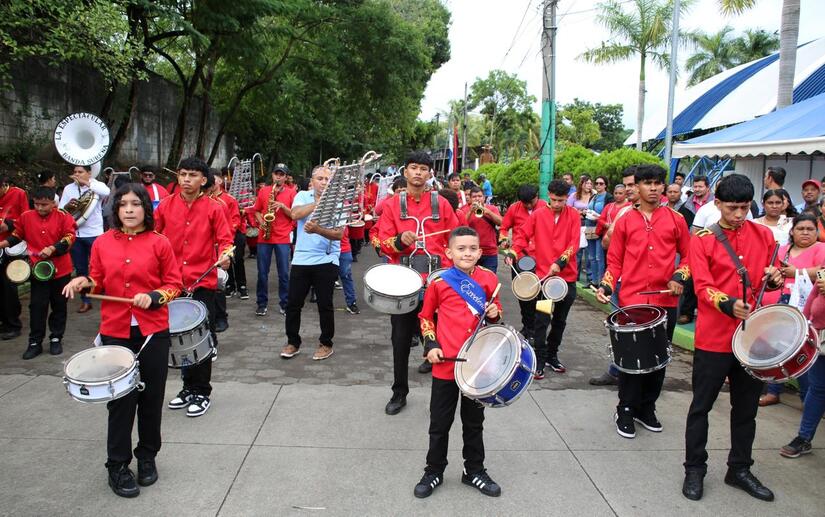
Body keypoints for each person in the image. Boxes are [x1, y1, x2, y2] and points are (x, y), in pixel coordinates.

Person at [62, 183, 182, 498]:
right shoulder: (102, 242)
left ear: (146, 208)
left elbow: (174, 284)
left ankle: (147, 457)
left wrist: (154, 296)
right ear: (115, 210)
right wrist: (84, 280)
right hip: (115, 331)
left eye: (135, 204)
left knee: (151, 398)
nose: (128, 209)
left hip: (153, 332)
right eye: (123, 204)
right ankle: (117, 466)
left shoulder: (160, 243)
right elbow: (97, 277)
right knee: (120, 402)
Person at [682, 174, 782, 503]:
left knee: (746, 409)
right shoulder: (703, 240)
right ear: (717, 204)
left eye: (744, 207)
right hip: (714, 337)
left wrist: (776, 276)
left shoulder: (764, 235)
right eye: (732, 208)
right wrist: (727, 303)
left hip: (753, 336)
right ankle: (694, 469)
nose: (739, 214)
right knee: (701, 407)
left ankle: (739, 468)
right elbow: (701, 286)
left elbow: (775, 277)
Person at [596, 164, 690, 439]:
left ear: (664, 186)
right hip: (632, 302)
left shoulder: (677, 220)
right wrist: (606, 284)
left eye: (657, 183)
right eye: (646, 183)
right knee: (631, 360)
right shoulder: (625, 220)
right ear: (635, 187)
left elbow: (688, 257)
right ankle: (625, 408)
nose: (653, 188)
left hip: (666, 303)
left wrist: (678, 277)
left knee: (659, 360)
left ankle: (646, 408)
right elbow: (614, 261)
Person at [413, 226, 503, 499]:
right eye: (461, 249)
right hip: (445, 365)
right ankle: (434, 470)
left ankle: (473, 470)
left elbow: (495, 319)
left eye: (473, 249)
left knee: (474, 422)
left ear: (480, 251)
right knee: (439, 423)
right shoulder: (439, 282)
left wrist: (495, 313)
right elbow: (426, 317)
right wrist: (431, 345)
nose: (467, 253)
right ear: (449, 252)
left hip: (477, 366)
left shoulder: (489, 279)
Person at [374, 150, 459, 415]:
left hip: (437, 282)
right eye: (413, 168)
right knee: (400, 340)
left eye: (423, 168)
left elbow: (456, 238)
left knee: (442, 338)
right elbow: (380, 243)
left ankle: (443, 395)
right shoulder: (391, 205)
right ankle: (399, 392)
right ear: (405, 172)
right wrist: (400, 241)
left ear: (429, 173)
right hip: (404, 282)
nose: (418, 173)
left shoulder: (442, 204)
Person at [155, 157, 233, 417]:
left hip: (202, 282)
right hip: (173, 284)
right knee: (178, 339)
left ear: (203, 180)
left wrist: (226, 256)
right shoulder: (165, 206)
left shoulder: (214, 208)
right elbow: (153, 238)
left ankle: (202, 391)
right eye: (183, 174)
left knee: (200, 338)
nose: (186, 179)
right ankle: (187, 388)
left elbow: (226, 241)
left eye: (192, 175)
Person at [509, 179, 580, 378]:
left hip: (567, 279)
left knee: (560, 320)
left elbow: (574, 244)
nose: (557, 204)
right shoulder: (539, 215)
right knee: (542, 320)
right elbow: (522, 235)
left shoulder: (573, 215)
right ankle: (539, 359)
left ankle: (552, 355)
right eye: (554, 200)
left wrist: (560, 262)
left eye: (562, 200)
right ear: (548, 195)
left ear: (567, 198)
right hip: (544, 280)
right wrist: (513, 252)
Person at [1, 187, 76, 359]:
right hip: (37, 269)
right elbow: (17, 234)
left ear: (53, 204)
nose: (40, 208)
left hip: (60, 270)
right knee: (37, 306)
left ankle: (56, 338)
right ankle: (35, 342)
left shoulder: (63, 216)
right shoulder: (26, 216)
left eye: (44, 205)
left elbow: (69, 237)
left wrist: (53, 248)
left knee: (59, 305)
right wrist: (2, 244)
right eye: (37, 204)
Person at [757, 214, 824, 406]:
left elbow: (823, 271)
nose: (805, 232)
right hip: (777, 306)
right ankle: (773, 390)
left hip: (806, 310)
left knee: (800, 354)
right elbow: (768, 269)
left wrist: (798, 272)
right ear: (792, 231)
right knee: (777, 351)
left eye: (810, 229)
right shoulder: (783, 249)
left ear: (816, 232)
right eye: (800, 228)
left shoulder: (821, 248)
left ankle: (808, 397)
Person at [279, 165, 343, 361]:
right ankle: (293, 342)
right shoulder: (302, 196)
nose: (324, 182)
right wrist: (318, 203)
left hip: (327, 258)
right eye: (320, 178)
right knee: (293, 304)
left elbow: (339, 233)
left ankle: (326, 343)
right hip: (301, 259)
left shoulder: (338, 202)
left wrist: (318, 230)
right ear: (312, 181)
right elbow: (295, 214)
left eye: (327, 179)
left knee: (325, 304)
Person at [590, 169, 638, 386]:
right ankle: (618, 369)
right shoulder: (623, 213)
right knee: (619, 327)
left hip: (646, 286)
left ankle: (634, 374)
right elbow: (607, 244)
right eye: (626, 185)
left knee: (639, 331)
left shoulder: (667, 216)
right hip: (620, 280)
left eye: (632, 185)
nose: (628, 190)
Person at [779, 268, 825, 458]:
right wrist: (804, 325)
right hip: (820, 335)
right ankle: (804, 438)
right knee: (817, 389)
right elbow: (814, 293)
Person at [59, 164, 111, 313]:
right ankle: (86, 300)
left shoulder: (96, 185)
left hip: (95, 233)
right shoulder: (69, 189)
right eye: (75, 172)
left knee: (102, 266)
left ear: (89, 173)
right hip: (76, 234)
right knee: (81, 268)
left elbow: (106, 192)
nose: (77, 174)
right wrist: (69, 205)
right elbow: (61, 210)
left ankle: (108, 296)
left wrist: (87, 183)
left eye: (80, 172)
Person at [498, 184, 547, 341]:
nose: (529, 206)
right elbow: (504, 228)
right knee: (524, 297)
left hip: (542, 260)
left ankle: (541, 328)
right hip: (521, 258)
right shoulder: (514, 208)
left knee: (543, 297)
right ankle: (528, 327)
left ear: (537, 196)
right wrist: (504, 240)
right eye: (525, 203)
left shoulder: (546, 207)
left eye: (531, 202)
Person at [253, 164, 296, 316]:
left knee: (284, 273)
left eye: (281, 174)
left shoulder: (292, 193)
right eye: (276, 174)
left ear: (285, 177)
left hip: (283, 237)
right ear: (272, 175)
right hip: (265, 236)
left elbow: (294, 215)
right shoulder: (264, 191)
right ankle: (261, 303)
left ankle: (285, 303)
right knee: (262, 273)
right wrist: (261, 222)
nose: (278, 176)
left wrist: (283, 206)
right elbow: (256, 210)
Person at [208, 170, 243, 332]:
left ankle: (221, 317)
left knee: (217, 283)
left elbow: (233, 222)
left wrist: (224, 244)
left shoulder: (225, 201)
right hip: (200, 249)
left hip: (218, 246)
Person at [0, 175, 30, 340]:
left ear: (3, 185)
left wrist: (9, 224)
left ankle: (13, 324)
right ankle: (3, 322)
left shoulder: (18, 194)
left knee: (8, 286)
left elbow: (27, 218)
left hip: (12, 246)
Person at [458, 186, 501, 271]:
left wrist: (489, 212)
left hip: (490, 252)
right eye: (474, 197)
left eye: (480, 196)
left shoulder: (492, 208)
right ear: (470, 198)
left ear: (484, 198)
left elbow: (501, 223)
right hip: (470, 252)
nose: (477, 199)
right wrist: (470, 211)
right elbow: (459, 227)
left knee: (489, 280)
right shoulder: (463, 209)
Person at [584, 175, 611, 286]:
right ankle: (594, 281)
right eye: (597, 183)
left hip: (601, 229)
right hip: (589, 227)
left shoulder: (608, 197)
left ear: (605, 185)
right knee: (591, 256)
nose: (598, 185)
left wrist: (598, 217)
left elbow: (609, 213)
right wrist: (586, 212)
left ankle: (601, 282)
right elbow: (590, 209)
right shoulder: (593, 196)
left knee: (599, 256)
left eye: (601, 183)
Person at [338, 226, 359, 314]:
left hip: (344, 248)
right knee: (324, 277)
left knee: (346, 276)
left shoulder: (346, 213)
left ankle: (351, 303)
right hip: (325, 250)